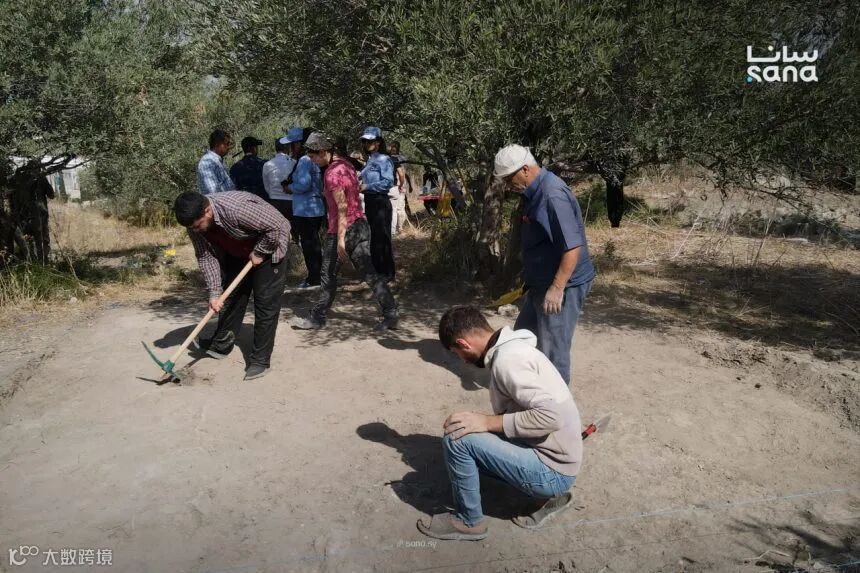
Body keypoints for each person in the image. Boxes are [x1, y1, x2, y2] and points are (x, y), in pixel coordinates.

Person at [417, 306, 583, 541]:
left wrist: (486, 422)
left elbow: (550, 416)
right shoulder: (515, 347)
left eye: (457, 353)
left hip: (554, 472)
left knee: (457, 440)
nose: (462, 360)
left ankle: (469, 522)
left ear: (464, 343)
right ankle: (547, 498)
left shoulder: (508, 361)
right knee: (469, 430)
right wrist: (484, 423)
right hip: (562, 460)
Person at [494, 144, 595, 388]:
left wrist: (557, 288)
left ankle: (556, 410)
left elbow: (572, 248)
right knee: (524, 336)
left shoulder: (551, 195)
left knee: (553, 348)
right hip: (540, 284)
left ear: (526, 169)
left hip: (562, 285)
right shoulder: (533, 191)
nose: (508, 185)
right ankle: (531, 390)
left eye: (509, 179)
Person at [173, 191, 291, 381]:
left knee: (265, 303)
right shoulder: (194, 224)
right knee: (230, 297)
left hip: (271, 246)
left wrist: (260, 251)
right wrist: (214, 292)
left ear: (208, 211)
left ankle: (260, 360)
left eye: (197, 226)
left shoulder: (236, 209)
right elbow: (205, 256)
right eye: (191, 228)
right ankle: (221, 345)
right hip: (237, 251)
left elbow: (278, 225)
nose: (195, 230)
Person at [291, 132, 399, 331]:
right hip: (360, 225)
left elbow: (341, 207)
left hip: (343, 229)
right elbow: (354, 192)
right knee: (370, 273)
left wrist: (340, 238)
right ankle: (390, 312)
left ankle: (317, 317)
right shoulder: (347, 165)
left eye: (314, 156)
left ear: (324, 152)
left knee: (327, 274)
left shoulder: (332, 173)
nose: (312, 160)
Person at [286, 127, 326, 289]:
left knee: (309, 245)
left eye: (292, 144)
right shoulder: (314, 159)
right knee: (315, 243)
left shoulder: (304, 160)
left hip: (305, 209)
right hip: (316, 207)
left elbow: (303, 184)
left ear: (298, 144)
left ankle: (314, 278)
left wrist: (289, 188)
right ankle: (320, 276)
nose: (290, 148)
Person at [357, 126, 396, 281]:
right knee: (375, 237)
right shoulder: (369, 160)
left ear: (379, 142)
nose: (367, 144)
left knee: (383, 237)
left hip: (380, 201)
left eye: (370, 141)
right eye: (365, 141)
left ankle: (387, 273)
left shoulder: (384, 159)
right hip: (370, 201)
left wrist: (368, 186)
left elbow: (388, 182)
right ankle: (378, 270)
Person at [9, 160, 54, 263]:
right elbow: (51, 195)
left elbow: (10, 197)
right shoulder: (40, 178)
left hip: (22, 216)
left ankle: (30, 262)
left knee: (26, 241)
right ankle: (43, 263)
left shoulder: (16, 179)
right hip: (39, 216)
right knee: (42, 240)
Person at [262, 132, 299, 243]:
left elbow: (266, 186)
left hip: (275, 202)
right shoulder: (294, 163)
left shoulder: (267, 164)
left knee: (278, 233)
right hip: (292, 201)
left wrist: (274, 193)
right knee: (295, 232)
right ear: (287, 148)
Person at [197, 130, 236, 195]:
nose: (228, 147)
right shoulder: (207, 162)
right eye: (227, 144)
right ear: (217, 144)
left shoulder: (217, 161)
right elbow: (213, 193)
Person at [387, 141, 410, 235]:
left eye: (394, 146)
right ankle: (394, 229)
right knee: (394, 208)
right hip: (394, 185)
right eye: (392, 146)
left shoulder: (400, 158)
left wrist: (404, 184)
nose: (393, 148)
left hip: (399, 185)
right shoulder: (388, 158)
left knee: (399, 208)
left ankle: (399, 228)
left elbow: (403, 173)